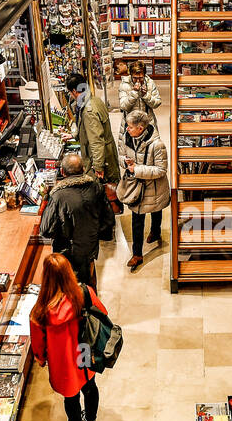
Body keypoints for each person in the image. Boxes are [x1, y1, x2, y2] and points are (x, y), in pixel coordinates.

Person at [29, 252, 107, 421]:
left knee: (70, 398)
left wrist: (41, 358)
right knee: (90, 388)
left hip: (61, 362)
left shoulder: (40, 311)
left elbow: (38, 345)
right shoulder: (84, 294)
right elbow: (103, 313)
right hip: (84, 352)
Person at [39, 152, 116, 285]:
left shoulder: (58, 196)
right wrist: (92, 232)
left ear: (62, 172)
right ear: (83, 169)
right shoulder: (96, 187)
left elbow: (46, 230)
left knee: (71, 286)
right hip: (90, 247)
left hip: (68, 252)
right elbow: (109, 219)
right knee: (89, 282)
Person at [118, 108, 170, 271]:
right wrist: (124, 161)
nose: (127, 129)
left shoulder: (157, 145)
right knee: (137, 220)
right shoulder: (127, 138)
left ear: (141, 128)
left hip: (154, 187)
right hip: (136, 189)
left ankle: (156, 231)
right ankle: (137, 254)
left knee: (156, 210)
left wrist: (137, 170)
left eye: (130, 127)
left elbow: (161, 170)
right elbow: (120, 155)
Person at [65, 69, 121, 184]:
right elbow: (87, 127)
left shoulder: (88, 111)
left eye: (70, 93)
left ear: (75, 91)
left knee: (106, 190)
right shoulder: (93, 100)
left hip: (101, 158)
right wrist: (73, 135)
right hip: (106, 153)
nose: (71, 95)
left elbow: (96, 141)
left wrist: (98, 166)